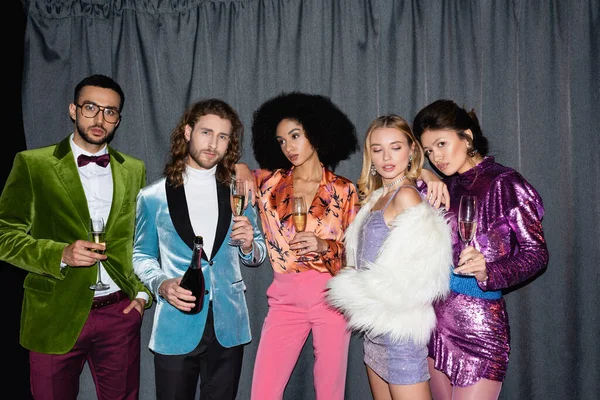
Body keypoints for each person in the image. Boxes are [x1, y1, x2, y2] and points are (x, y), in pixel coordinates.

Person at [0, 74, 151, 400]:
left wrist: (141, 295)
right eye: (91, 107)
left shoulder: (134, 169)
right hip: (54, 313)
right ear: (73, 110)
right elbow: (5, 234)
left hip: (119, 316)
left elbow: (141, 238)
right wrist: (59, 254)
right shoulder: (33, 164)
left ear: (118, 119)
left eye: (110, 112)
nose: (100, 119)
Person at [412, 99, 549, 400]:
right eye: (429, 151)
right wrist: (422, 173)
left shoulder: (506, 184)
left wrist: (490, 270)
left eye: (442, 143)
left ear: (468, 137)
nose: (437, 156)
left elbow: (536, 254)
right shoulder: (439, 187)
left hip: (479, 328)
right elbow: (389, 185)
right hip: (433, 324)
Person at [132, 98, 267, 400]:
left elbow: (257, 252)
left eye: (222, 136)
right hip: (176, 324)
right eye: (206, 132)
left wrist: (248, 245)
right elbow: (140, 255)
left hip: (228, 324)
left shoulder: (239, 190)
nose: (213, 143)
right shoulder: (152, 196)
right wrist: (161, 284)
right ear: (188, 132)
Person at [235, 91, 360, 399]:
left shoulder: (344, 190)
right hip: (284, 298)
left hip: (331, 297)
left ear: (315, 132)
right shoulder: (267, 182)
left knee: (330, 392)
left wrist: (324, 245)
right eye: (281, 141)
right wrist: (238, 167)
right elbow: (224, 172)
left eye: (295, 136)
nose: (288, 147)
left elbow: (357, 256)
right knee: (263, 392)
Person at [325, 114, 453, 400]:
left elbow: (422, 277)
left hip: (399, 334)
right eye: (377, 148)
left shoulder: (406, 196)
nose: (386, 157)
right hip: (374, 332)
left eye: (395, 147)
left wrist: (358, 293)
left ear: (411, 151)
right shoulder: (377, 197)